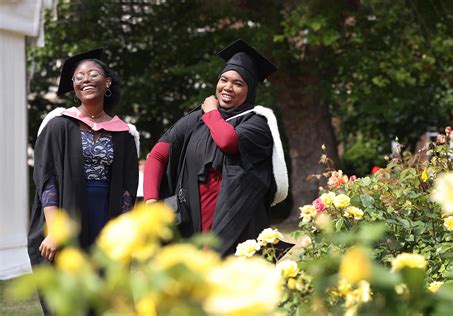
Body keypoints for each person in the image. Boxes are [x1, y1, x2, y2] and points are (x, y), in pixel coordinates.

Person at [144, 39, 288, 256]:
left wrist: (211, 111)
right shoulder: (196, 119)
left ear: (249, 90)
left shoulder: (258, 122)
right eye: (224, 80)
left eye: (238, 83)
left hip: (237, 223)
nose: (227, 87)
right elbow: (156, 155)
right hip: (193, 222)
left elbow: (227, 141)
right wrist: (151, 201)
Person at [27, 48, 139, 266]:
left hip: (108, 215)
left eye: (93, 74)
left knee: (106, 289)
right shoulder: (59, 125)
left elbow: (127, 188)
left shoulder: (124, 133)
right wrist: (55, 229)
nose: (85, 79)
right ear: (74, 88)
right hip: (68, 212)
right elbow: (47, 180)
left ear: (107, 82)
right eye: (79, 77)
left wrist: (122, 232)